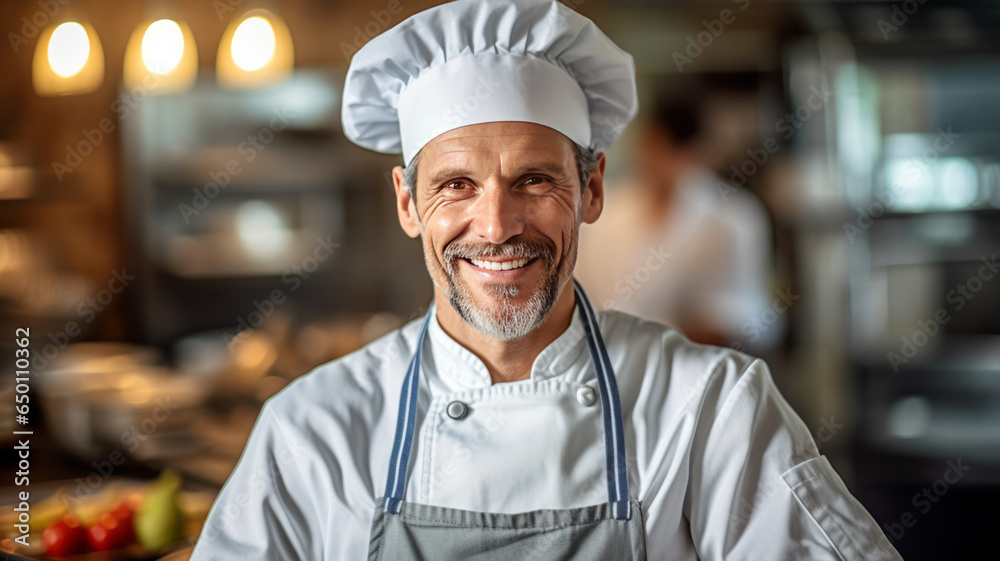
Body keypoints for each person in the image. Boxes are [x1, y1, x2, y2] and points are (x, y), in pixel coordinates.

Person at [190, 1, 901, 559]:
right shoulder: (310, 430)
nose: (496, 225)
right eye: (457, 185)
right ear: (408, 203)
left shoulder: (712, 411)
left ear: (591, 188)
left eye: (532, 179)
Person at [576, 94, 778, 350]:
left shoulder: (732, 219)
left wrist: (679, 332)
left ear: (699, 151)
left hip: (692, 367)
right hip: (605, 361)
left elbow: (746, 315)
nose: (655, 158)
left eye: (668, 150)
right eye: (651, 145)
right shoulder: (605, 209)